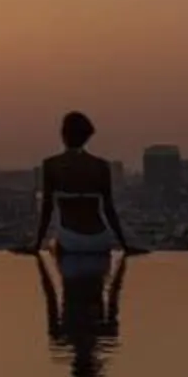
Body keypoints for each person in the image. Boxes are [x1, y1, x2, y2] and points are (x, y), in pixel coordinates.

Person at [32, 110, 129, 276]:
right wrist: (124, 245)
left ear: (63, 134)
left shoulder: (52, 165)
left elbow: (47, 209)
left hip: (70, 238)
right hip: (100, 238)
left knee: (56, 253)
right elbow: (109, 209)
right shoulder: (101, 165)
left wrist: (36, 245)